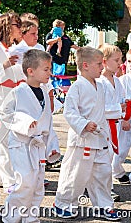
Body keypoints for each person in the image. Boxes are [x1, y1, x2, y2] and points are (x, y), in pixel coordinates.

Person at [53, 47, 120, 221]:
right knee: (75, 175)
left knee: (103, 174)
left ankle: (104, 206)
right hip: (82, 140)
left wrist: (119, 113)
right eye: (99, 64)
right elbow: (69, 111)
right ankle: (63, 203)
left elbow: (103, 111)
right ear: (85, 65)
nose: (101, 67)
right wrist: (83, 124)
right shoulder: (77, 87)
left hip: (99, 138)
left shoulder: (100, 85)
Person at [0, 49, 60, 222]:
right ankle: (9, 217)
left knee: (37, 185)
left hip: (38, 146)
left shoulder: (46, 95)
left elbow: (47, 123)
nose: (50, 73)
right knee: (24, 182)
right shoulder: (18, 92)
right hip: (21, 143)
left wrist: (52, 146)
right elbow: (5, 113)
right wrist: (24, 122)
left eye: (50, 69)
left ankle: (30, 218)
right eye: (46, 69)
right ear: (30, 71)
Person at [0, 12, 24, 189]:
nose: (20, 29)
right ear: (7, 27)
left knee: (7, 142)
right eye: (17, 25)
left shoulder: (15, 49)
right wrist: (5, 65)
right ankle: (9, 180)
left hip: (14, 100)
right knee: (2, 143)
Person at [96, 44, 126, 202]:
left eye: (120, 59)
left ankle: (103, 187)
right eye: (117, 60)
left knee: (109, 157)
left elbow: (121, 99)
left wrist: (125, 107)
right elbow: (99, 107)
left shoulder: (117, 81)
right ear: (105, 61)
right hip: (103, 126)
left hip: (115, 125)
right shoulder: (99, 82)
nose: (120, 63)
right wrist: (118, 107)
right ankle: (104, 189)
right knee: (102, 159)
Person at [114, 47, 131, 188]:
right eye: (129, 61)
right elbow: (120, 100)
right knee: (121, 149)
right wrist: (124, 118)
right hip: (126, 120)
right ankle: (116, 171)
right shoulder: (123, 80)